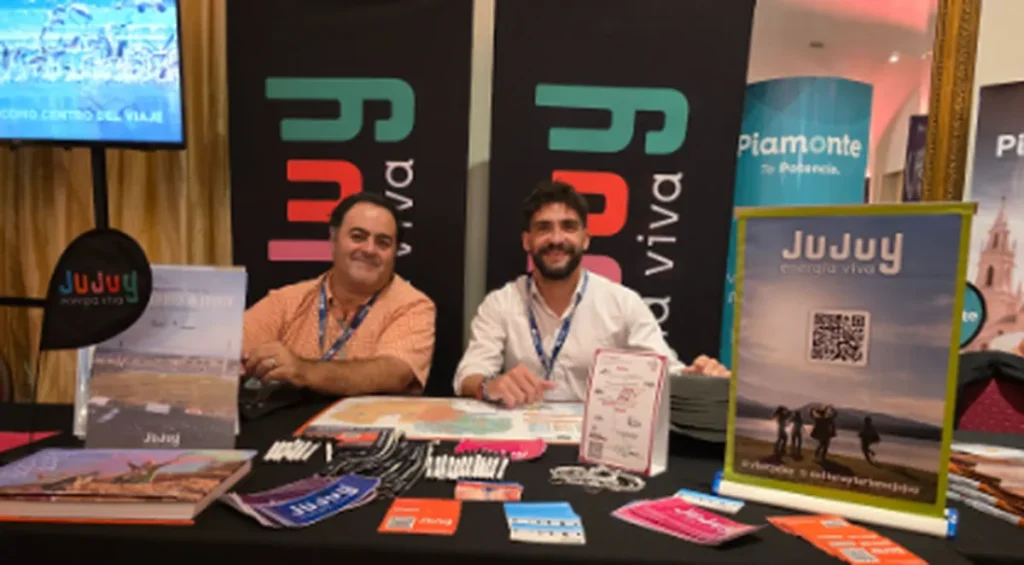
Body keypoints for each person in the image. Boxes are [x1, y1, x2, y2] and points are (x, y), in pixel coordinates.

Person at [453, 180, 729, 408]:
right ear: (527, 241)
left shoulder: (622, 303)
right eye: (544, 228)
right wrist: (489, 386)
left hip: (601, 441)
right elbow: (467, 375)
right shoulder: (500, 303)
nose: (556, 239)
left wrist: (699, 376)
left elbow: (664, 372)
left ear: (585, 239)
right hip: (522, 439)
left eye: (569, 227)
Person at [242, 192, 436, 396]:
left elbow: (393, 374)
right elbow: (229, 350)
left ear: (395, 252)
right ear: (334, 239)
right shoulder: (287, 301)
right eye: (358, 237)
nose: (369, 249)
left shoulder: (413, 305)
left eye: (383, 242)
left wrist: (303, 370)